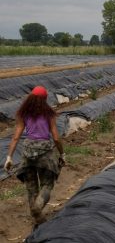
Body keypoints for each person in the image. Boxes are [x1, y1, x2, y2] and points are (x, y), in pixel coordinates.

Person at [4, 86, 65, 225]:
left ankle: (37, 217)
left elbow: (15, 137)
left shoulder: (23, 114)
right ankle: (37, 209)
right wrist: (62, 153)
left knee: (31, 187)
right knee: (47, 185)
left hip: (28, 152)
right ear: (45, 99)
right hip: (45, 153)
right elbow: (56, 138)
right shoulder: (49, 114)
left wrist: (9, 157)